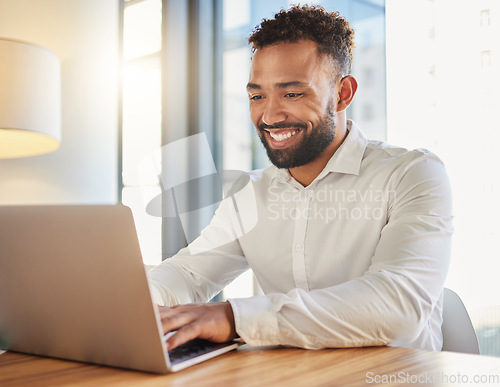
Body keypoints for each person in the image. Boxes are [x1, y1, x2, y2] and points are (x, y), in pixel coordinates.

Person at [149, 5, 453, 352]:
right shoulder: (249, 193)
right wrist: (137, 302)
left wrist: (235, 318)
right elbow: (189, 274)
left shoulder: (412, 174)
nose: (269, 114)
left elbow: (399, 306)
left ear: (343, 94)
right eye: (257, 96)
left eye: (292, 94)